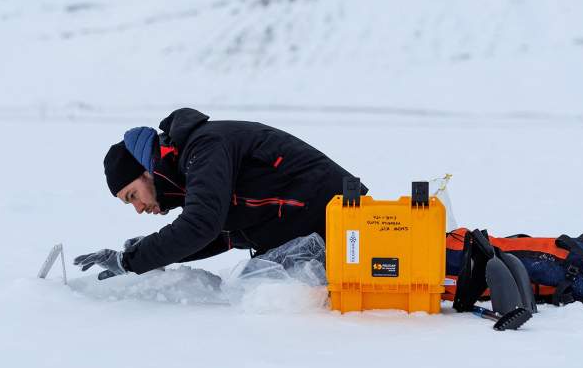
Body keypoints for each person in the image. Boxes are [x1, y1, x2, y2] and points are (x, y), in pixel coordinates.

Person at [74, 107, 366, 280]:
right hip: (320, 238)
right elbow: (223, 234)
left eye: (132, 195)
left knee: (256, 294)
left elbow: (202, 225)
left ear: (146, 170)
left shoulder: (204, 148)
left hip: (349, 233)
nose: (138, 208)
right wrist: (148, 253)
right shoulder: (190, 163)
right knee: (252, 288)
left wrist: (130, 261)